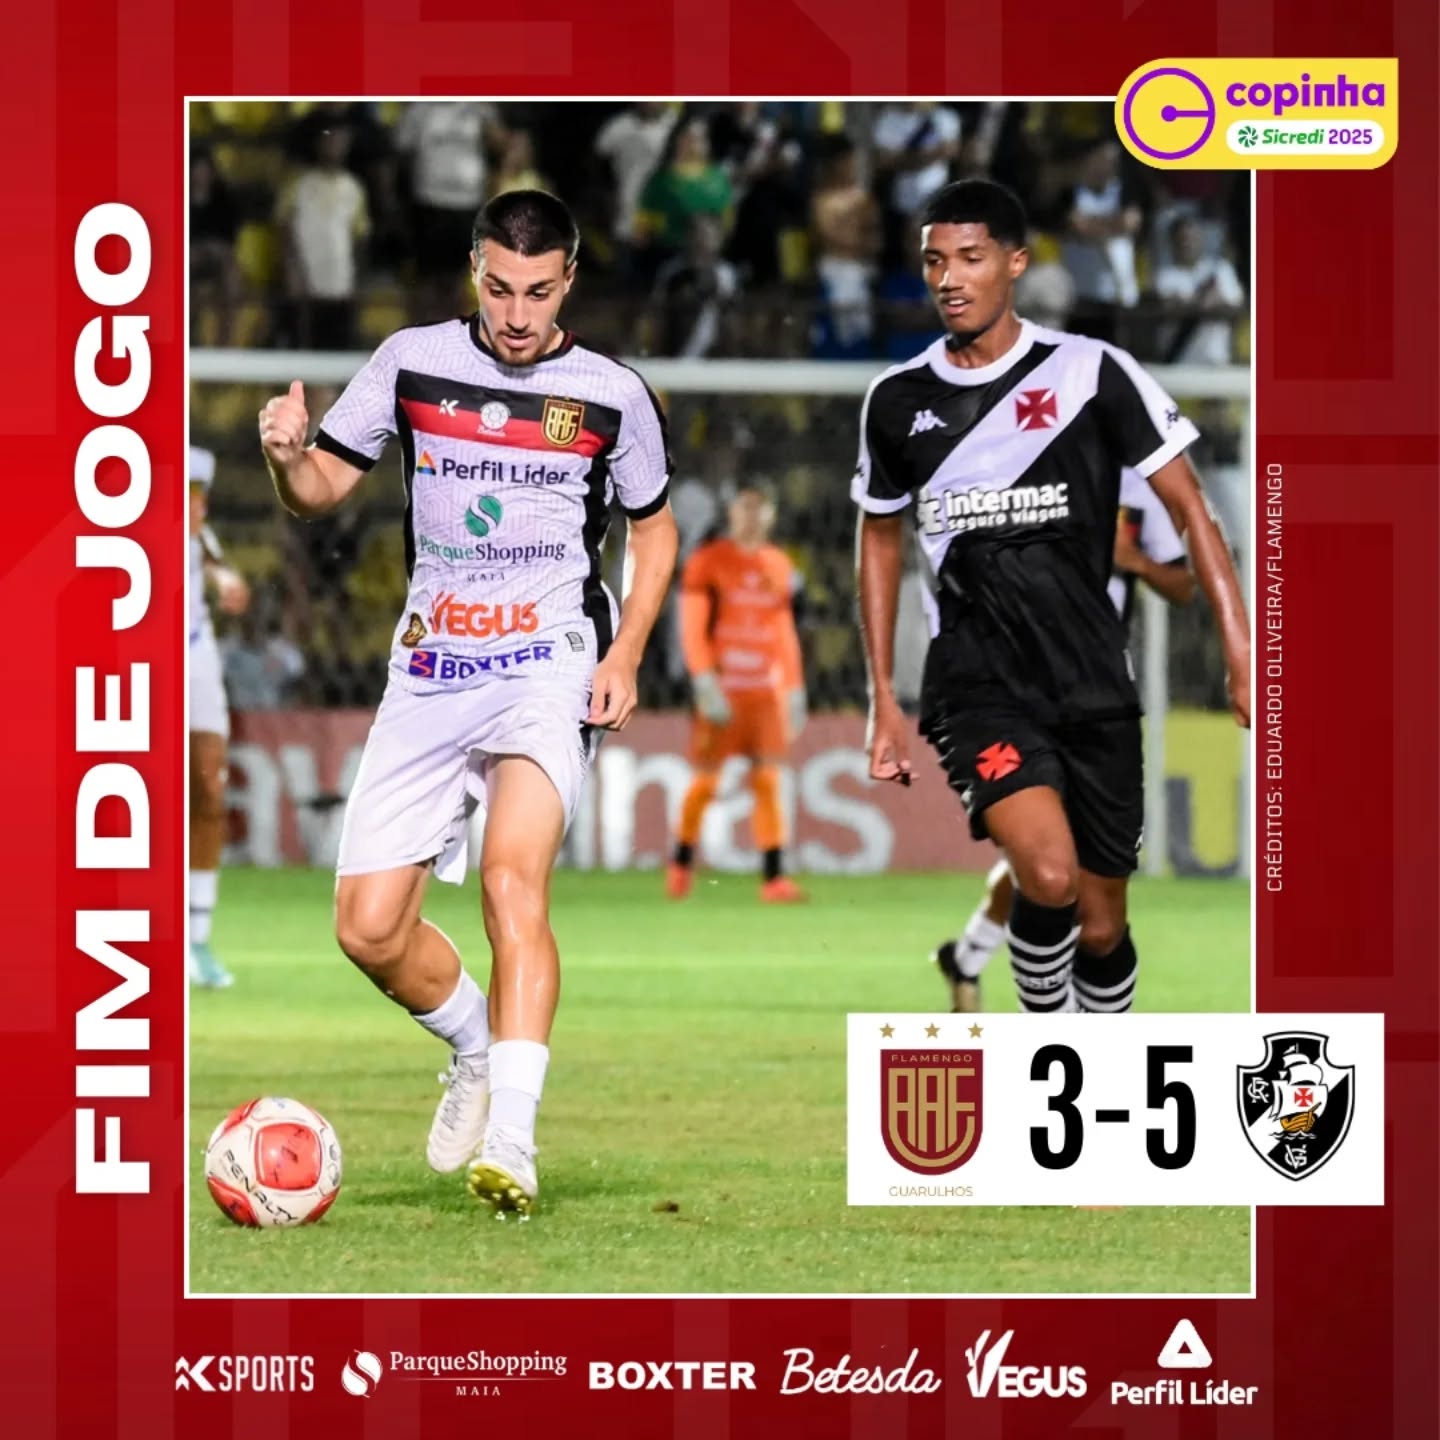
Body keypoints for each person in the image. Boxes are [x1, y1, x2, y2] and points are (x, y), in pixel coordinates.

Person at [257, 190, 678, 1216]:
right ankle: (477, 1045)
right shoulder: (410, 362)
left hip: (548, 659)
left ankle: (514, 1144)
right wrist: (285, 457)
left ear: (568, 282)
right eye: (500, 288)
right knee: (367, 930)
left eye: (538, 291)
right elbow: (321, 490)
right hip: (431, 665)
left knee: (510, 883)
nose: (518, 314)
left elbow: (655, 528)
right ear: (473, 273)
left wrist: (626, 650)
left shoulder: (612, 394)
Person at [854, 179, 1250, 1017]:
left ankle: (1095, 1063)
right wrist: (882, 693)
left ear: (1016, 263)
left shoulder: (1091, 372)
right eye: (934, 261)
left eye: (970, 258)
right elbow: (879, 537)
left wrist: (1244, 654)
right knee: (1046, 873)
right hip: (980, 685)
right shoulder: (897, 401)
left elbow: (1191, 510)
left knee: (1102, 928)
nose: (949, 278)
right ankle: (1048, 1051)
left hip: (1093, 680)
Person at [933, 466, 1199, 1011]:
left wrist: (1135, 563)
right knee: (1048, 867)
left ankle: (967, 957)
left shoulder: (1144, 484)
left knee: (1079, 898)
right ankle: (1052, 1026)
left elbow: (1184, 585)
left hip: (1097, 701)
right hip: (1006, 691)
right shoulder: (1014, 458)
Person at [666, 486, 807, 903]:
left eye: (758, 508)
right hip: (723, 692)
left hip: (764, 693)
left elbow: (783, 630)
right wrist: (704, 680)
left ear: (771, 515)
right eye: (744, 507)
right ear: (731, 513)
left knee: (768, 780)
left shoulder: (779, 564)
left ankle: (774, 878)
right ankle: (680, 863)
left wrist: (794, 687)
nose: (751, 516)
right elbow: (692, 625)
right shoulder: (708, 561)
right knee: (706, 782)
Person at [188, 446, 252, 988]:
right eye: (187, 495)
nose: (196, 507)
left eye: (199, 495)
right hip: (131, 660)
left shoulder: (198, 534)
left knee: (209, 787)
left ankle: (198, 936)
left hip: (195, 655)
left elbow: (215, 563)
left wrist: (228, 581)